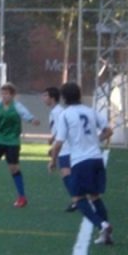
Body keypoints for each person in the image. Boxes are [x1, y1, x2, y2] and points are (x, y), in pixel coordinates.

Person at [49, 81, 115, 245]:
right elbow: (109, 130)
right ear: (79, 95)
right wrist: (95, 141)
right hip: (97, 159)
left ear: (63, 98)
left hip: (80, 160)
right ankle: (106, 235)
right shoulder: (90, 111)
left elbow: (59, 142)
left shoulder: (66, 114)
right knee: (95, 196)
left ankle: (102, 224)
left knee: (78, 198)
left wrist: (52, 160)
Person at [0, 82, 40, 207]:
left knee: (14, 168)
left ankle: (22, 197)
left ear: (12, 95)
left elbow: (26, 115)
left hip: (12, 141)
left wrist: (33, 120)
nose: (4, 96)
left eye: (6, 94)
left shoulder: (17, 106)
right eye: (2, 93)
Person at [42, 85, 75, 212]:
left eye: (45, 96)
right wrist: (53, 138)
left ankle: (77, 199)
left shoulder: (58, 111)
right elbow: (59, 129)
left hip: (66, 148)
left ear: (52, 98)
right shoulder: (56, 111)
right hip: (63, 147)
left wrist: (55, 146)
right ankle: (78, 198)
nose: (43, 98)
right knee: (67, 174)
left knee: (66, 174)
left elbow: (63, 128)